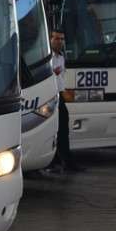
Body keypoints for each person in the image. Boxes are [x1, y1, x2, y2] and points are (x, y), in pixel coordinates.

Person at [47, 28, 83, 173]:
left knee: (63, 128)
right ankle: (55, 161)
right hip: (48, 96)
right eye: (56, 38)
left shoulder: (61, 57)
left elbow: (61, 77)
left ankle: (65, 161)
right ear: (50, 39)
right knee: (52, 129)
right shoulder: (47, 57)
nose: (60, 42)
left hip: (59, 95)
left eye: (62, 39)